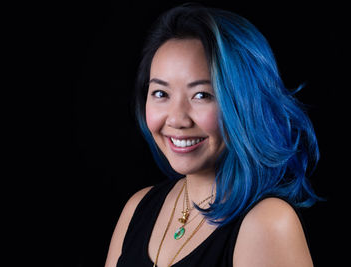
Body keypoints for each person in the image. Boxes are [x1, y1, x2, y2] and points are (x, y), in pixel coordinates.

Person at [105, 3, 320, 267]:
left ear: (245, 103)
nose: (176, 119)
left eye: (202, 95)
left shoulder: (268, 223)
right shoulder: (137, 209)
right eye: (161, 93)